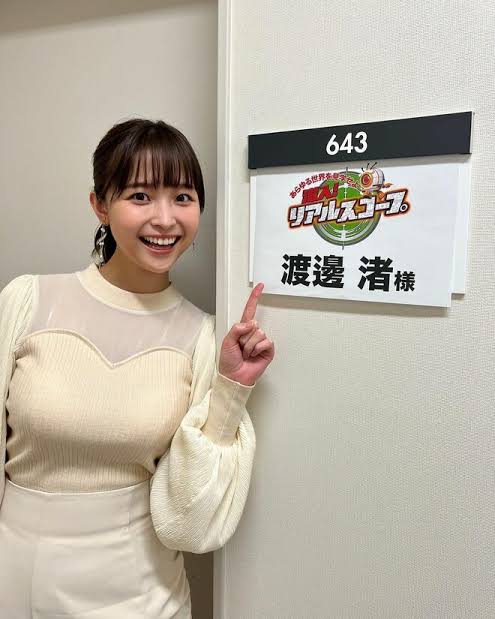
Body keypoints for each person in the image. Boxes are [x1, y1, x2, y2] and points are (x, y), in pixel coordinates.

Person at [0, 118, 275, 618]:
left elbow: (191, 521)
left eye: (182, 197)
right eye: (140, 196)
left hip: (143, 593)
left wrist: (231, 390)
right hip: (16, 577)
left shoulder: (203, 337)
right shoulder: (28, 300)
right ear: (100, 206)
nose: (165, 219)